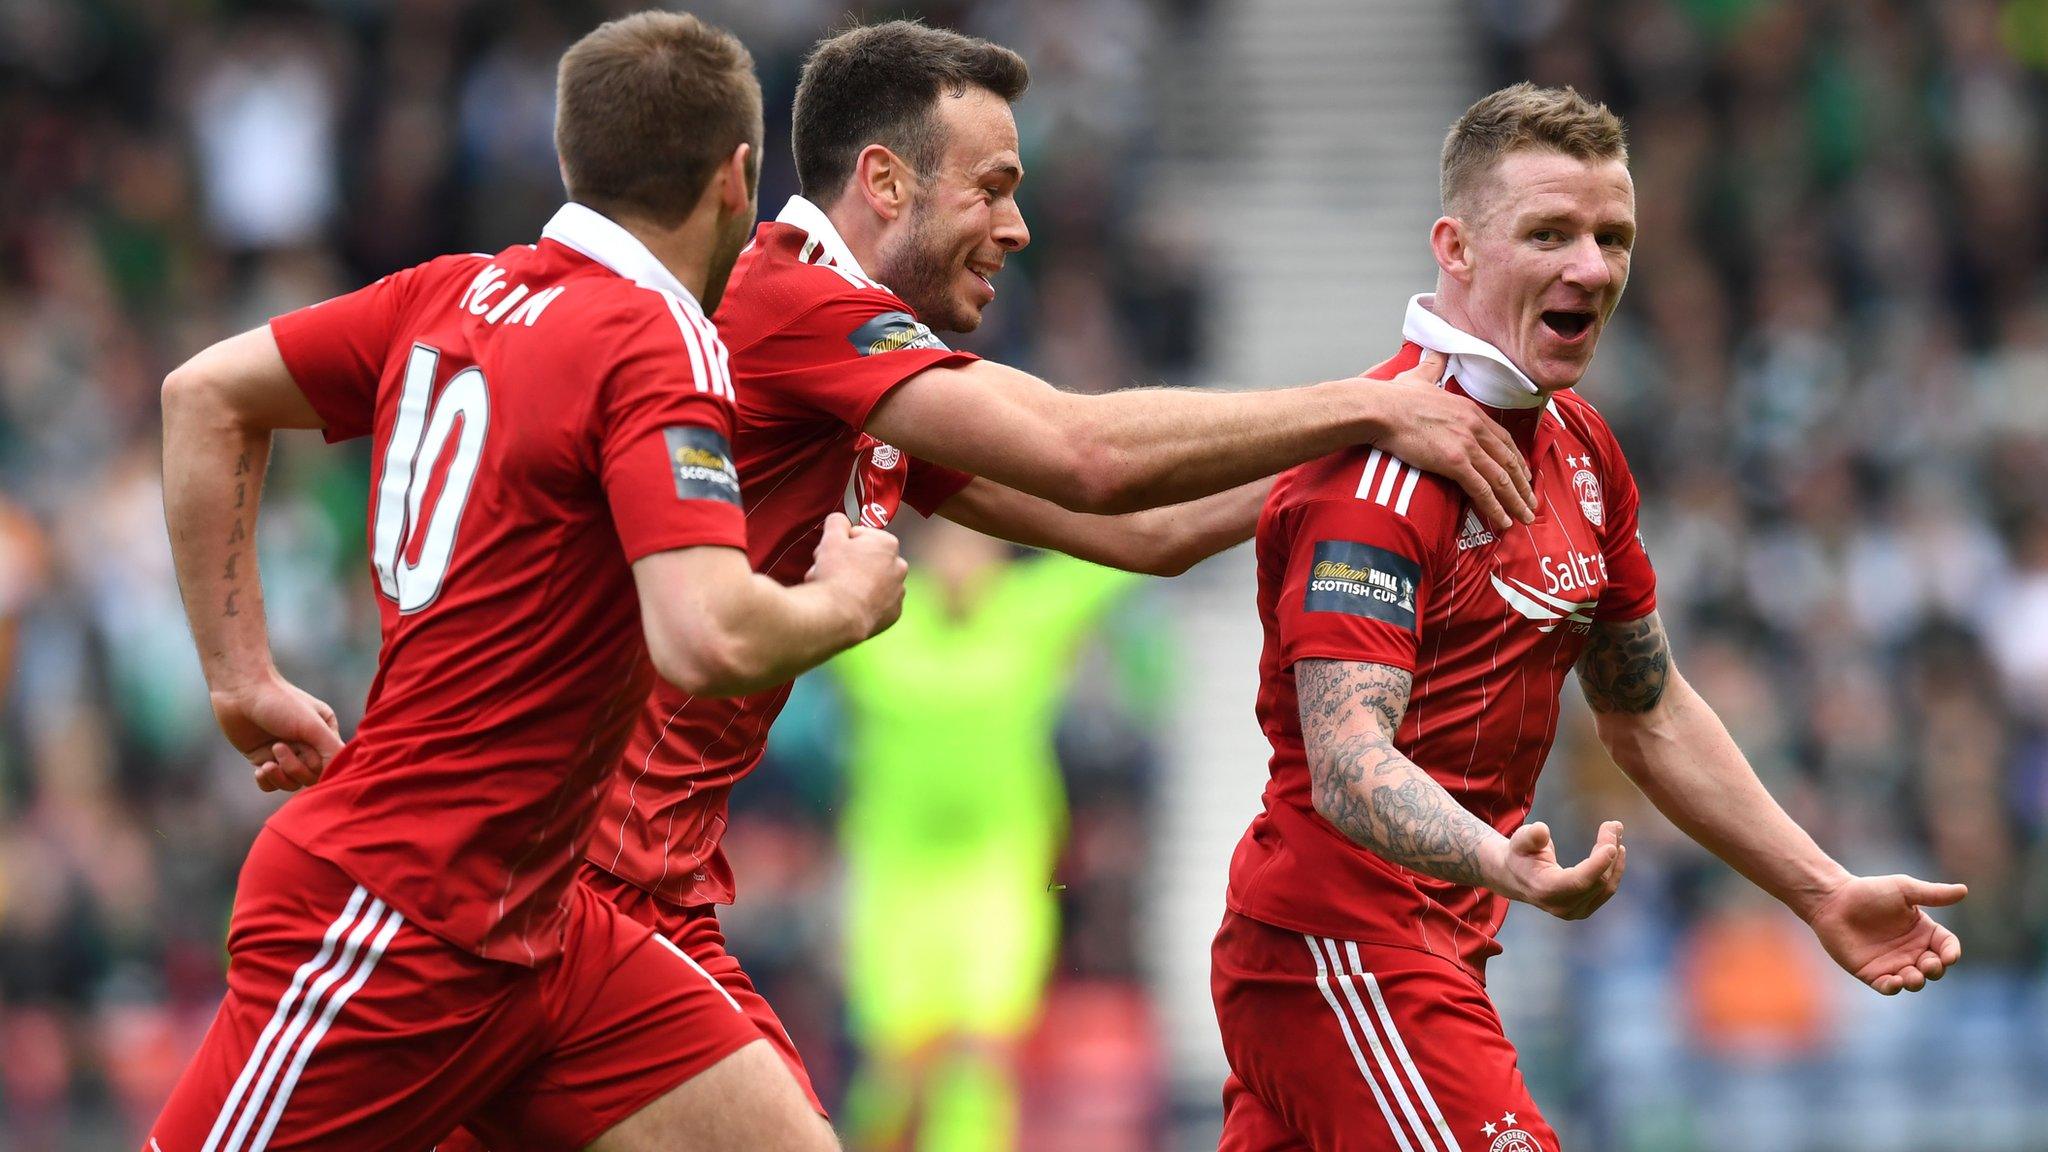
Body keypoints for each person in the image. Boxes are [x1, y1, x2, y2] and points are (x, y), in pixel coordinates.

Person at [411, 20, 1542, 1148]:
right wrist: (1371, 402)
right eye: (992, 188)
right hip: (590, 880)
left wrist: (1400, 442)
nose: (1017, 225)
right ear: (883, 181)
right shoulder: (794, 305)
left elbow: (1145, 531)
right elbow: (1085, 454)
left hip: (633, 884)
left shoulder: (856, 377)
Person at [146, 13, 905, 1152]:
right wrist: (848, 599)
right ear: (737, 177)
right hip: (395, 912)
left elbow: (203, 395)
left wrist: (240, 677)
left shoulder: (441, 296)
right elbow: (703, 637)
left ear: (568, 159)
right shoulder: (656, 340)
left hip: (544, 927)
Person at [1210, 82, 1969, 1152]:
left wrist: (1820, 890)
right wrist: (1496, 861)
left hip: (1426, 951)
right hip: (1340, 950)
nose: (1591, 268)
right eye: (1549, 233)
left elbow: (1644, 711)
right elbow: (1344, 760)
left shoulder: (1581, 449)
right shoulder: (1378, 472)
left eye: (1611, 236)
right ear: (1455, 248)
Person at [830, 522, 1142, 1152]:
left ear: (1000, 555)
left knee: (981, 1053)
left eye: (974, 544)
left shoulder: (1026, 616)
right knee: (900, 1068)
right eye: (946, 545)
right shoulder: (878, 622)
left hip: (1000, 866)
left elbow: (1121, 551)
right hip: (896, 875)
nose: (960, 561)